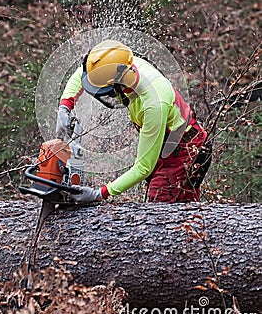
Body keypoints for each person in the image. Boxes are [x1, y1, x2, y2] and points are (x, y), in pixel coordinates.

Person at [56, 39, 212, 203]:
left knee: (160, 208)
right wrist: (65, 107)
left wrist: (99, 194)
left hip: (187, 150)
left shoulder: (153, 103)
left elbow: (144, 167)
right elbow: (84, 73)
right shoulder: (119, 64)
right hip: (167, 146)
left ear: (118, 84)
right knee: (184, 211)